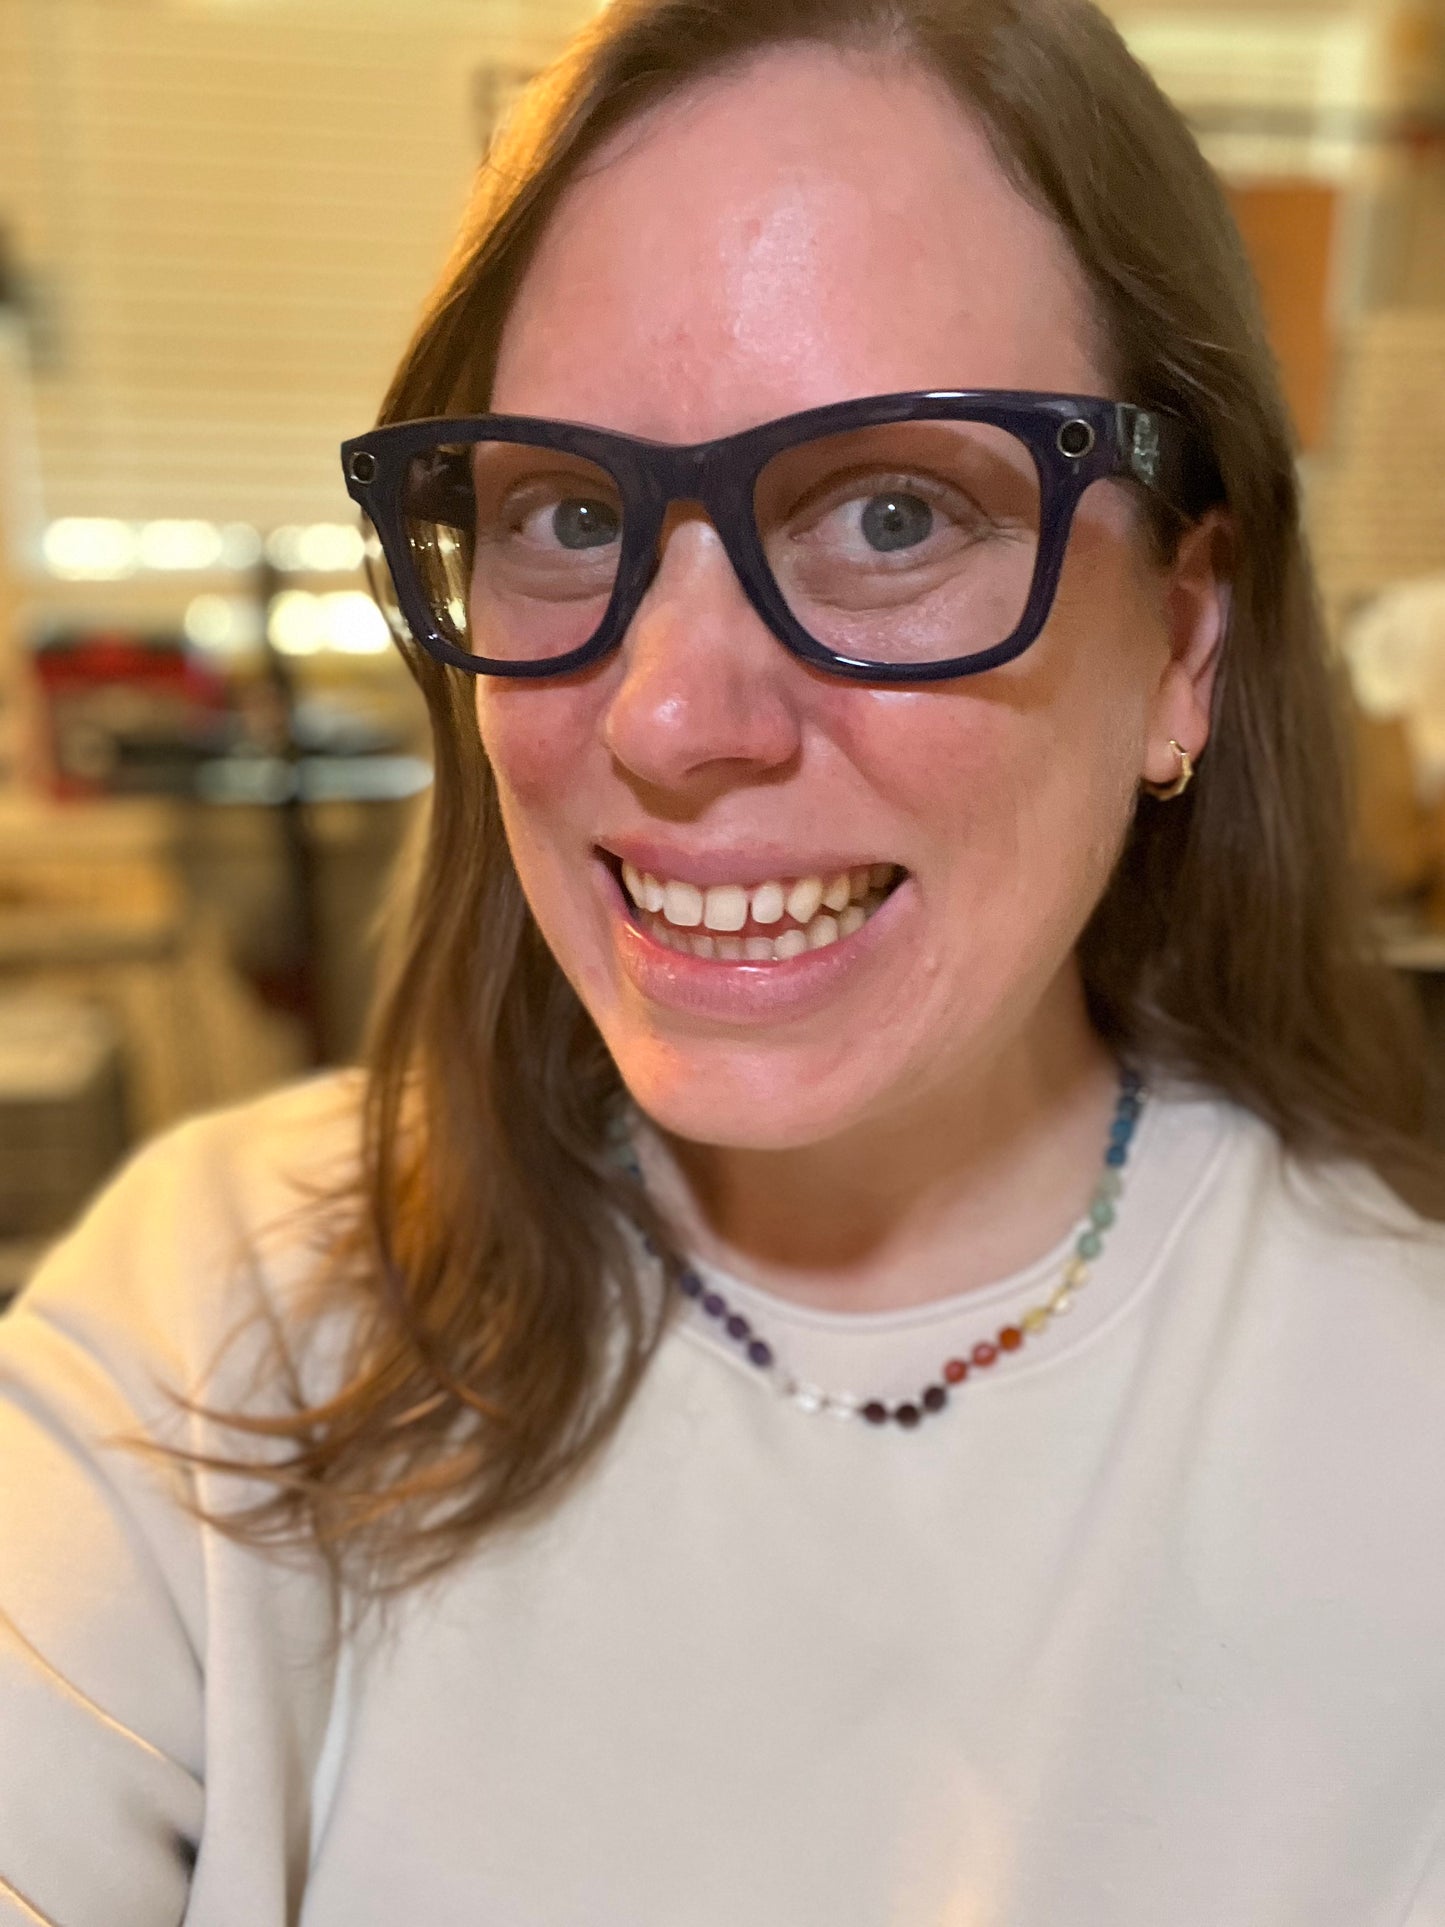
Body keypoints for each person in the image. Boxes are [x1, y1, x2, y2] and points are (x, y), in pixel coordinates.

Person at [4, 0, 1445, 1920]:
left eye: (893, 513)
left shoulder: (1398, 1434)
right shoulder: (206, 1331)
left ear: (1183, 640)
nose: (672, 717)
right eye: (566, 514)